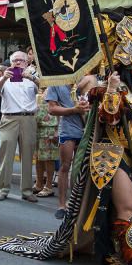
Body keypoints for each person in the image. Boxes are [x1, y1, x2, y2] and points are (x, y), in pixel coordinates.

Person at [0, 16, 132, 265]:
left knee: (130, 208)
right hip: (111, 155)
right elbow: (108, 118)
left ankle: (109, 250)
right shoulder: (107, 91)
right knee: (128, 204)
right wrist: (109, 89)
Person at [0, 51, 39, 202]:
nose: (18, 63)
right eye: (15, 60)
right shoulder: (5, 77)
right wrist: (3, 78)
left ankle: (26, 190)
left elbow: (45, 88)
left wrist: (31, 77)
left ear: (27, 63)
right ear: (11, 63)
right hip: (9, 118)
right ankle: (2, 189)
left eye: (21, 60)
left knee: (27, 155)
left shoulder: (32, 78)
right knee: (6, 155)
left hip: (28, 118)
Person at [45, 77, 94, 219]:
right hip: (68, 129)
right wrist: (74, 109)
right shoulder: (56, 82)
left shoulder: (89, 79)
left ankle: (79, 204)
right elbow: (52, 109)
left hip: (88, 128)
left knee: (84, 168)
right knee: (65, 166)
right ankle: (62, 205)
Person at [34, 88, 59, 198]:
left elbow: (61, 108)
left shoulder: (58, 86)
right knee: (38, 158)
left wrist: (58, 129)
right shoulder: (41, 87)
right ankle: (39, 184)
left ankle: (48, 186)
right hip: (37, 126)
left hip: (50, 127)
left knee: (49, 159)